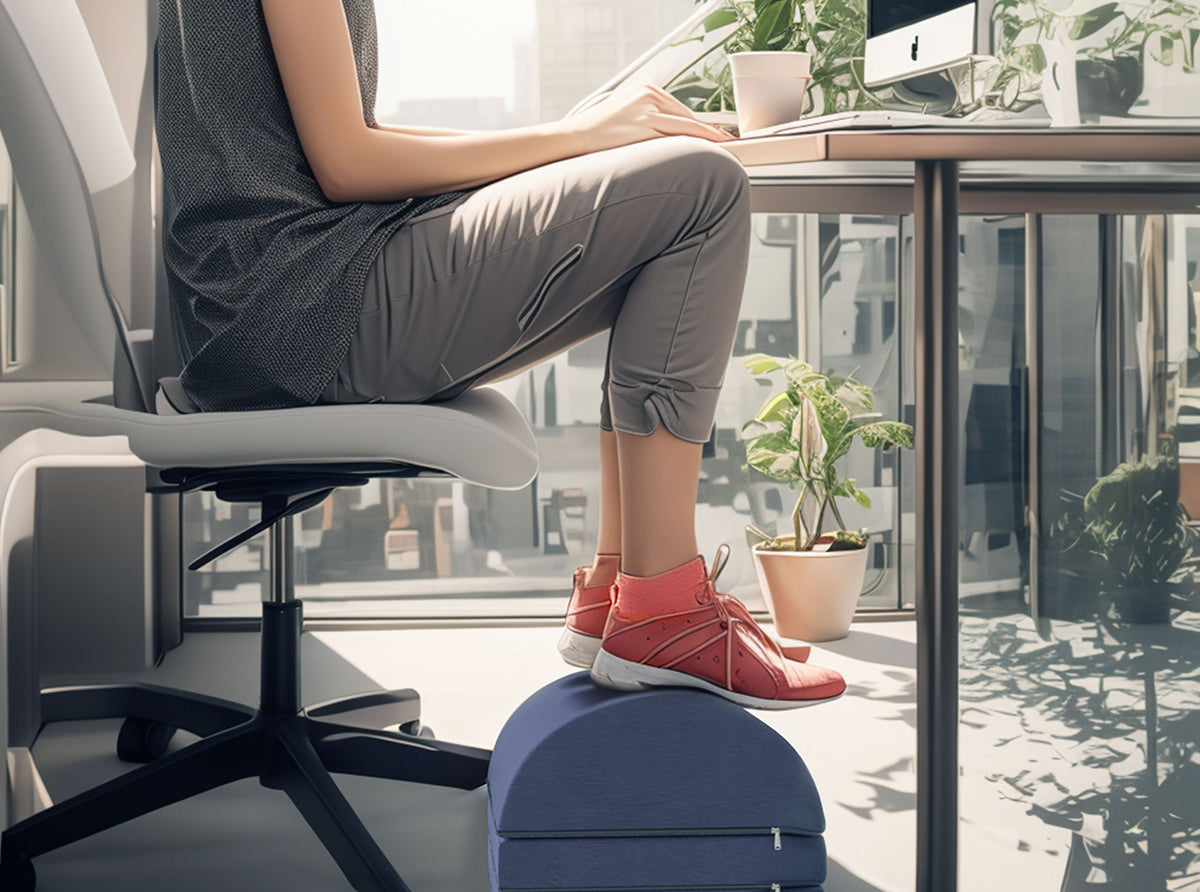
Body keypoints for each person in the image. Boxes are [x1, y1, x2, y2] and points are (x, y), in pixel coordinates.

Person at [156, 0, 845, 710]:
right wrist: (577, 137)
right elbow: (347, 163)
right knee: (705, 188)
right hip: (304, 312)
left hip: (277, 307)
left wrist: (581, 141)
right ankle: (665, 609)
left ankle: (625, 592)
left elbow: (343, 141)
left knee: (659, 223)